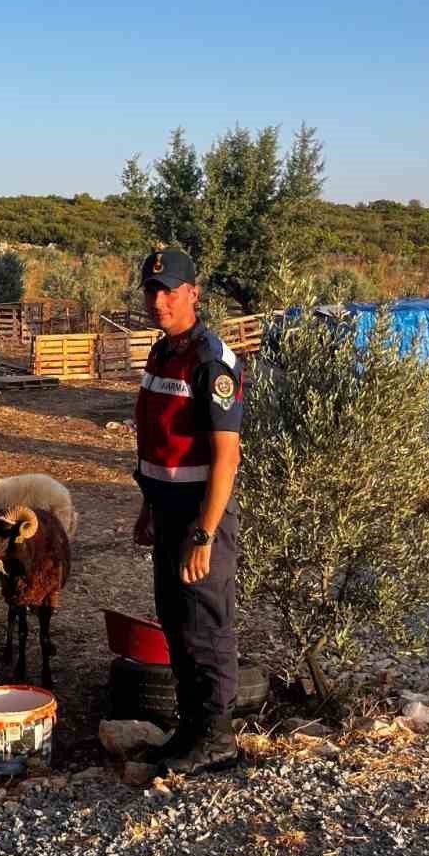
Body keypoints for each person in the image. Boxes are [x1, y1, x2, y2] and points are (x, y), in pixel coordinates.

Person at [132, 249, 244, 774]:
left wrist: (204, 533)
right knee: (176, 624)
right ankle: (190, 730)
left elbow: (227, 455)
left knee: (206, 626)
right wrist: (147, 508)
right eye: (152, 290)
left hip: (202, 516)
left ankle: (218, 740)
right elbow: (156, 442)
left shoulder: (210, 360)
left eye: (170, 291)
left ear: (194, 293)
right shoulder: (161, 354)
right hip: (167, 509)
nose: (159, 301)